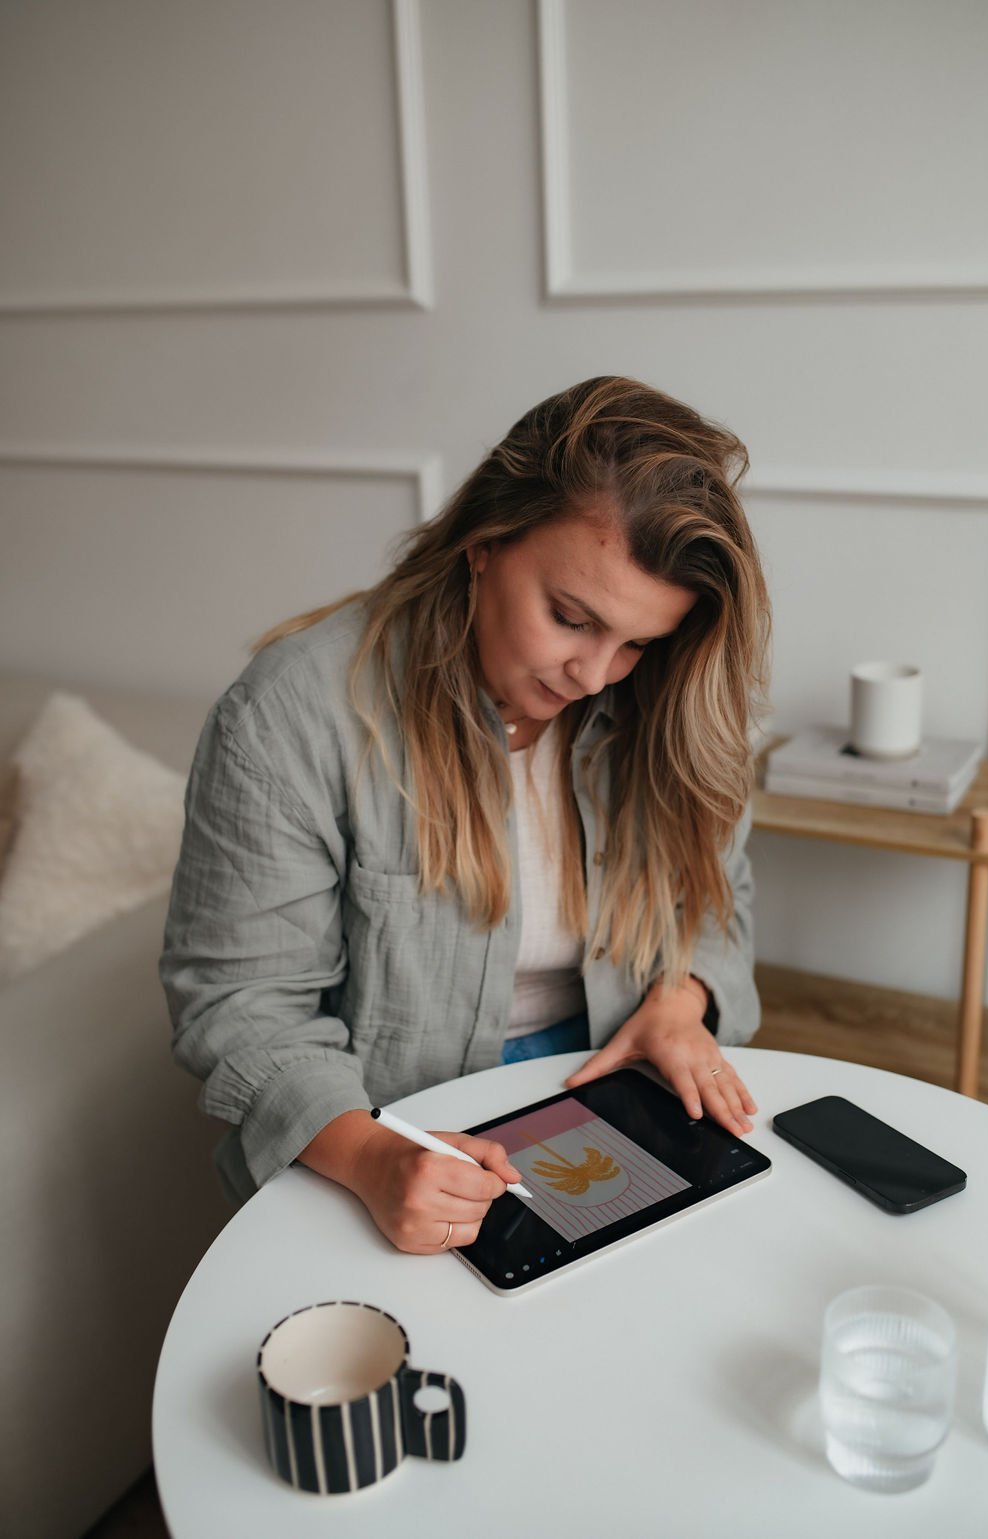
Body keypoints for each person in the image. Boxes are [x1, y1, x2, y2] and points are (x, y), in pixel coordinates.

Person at [160, 375, 771, 1256]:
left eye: (638, 642)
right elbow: (243, 1002)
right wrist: (373, 1156)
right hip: (386, 1120)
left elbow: (722, 896)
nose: (594, 675)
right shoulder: (294, 714)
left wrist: (683, 998)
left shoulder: (673, 703)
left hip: (610, 1074)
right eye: (569, 617)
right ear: (486, 540)